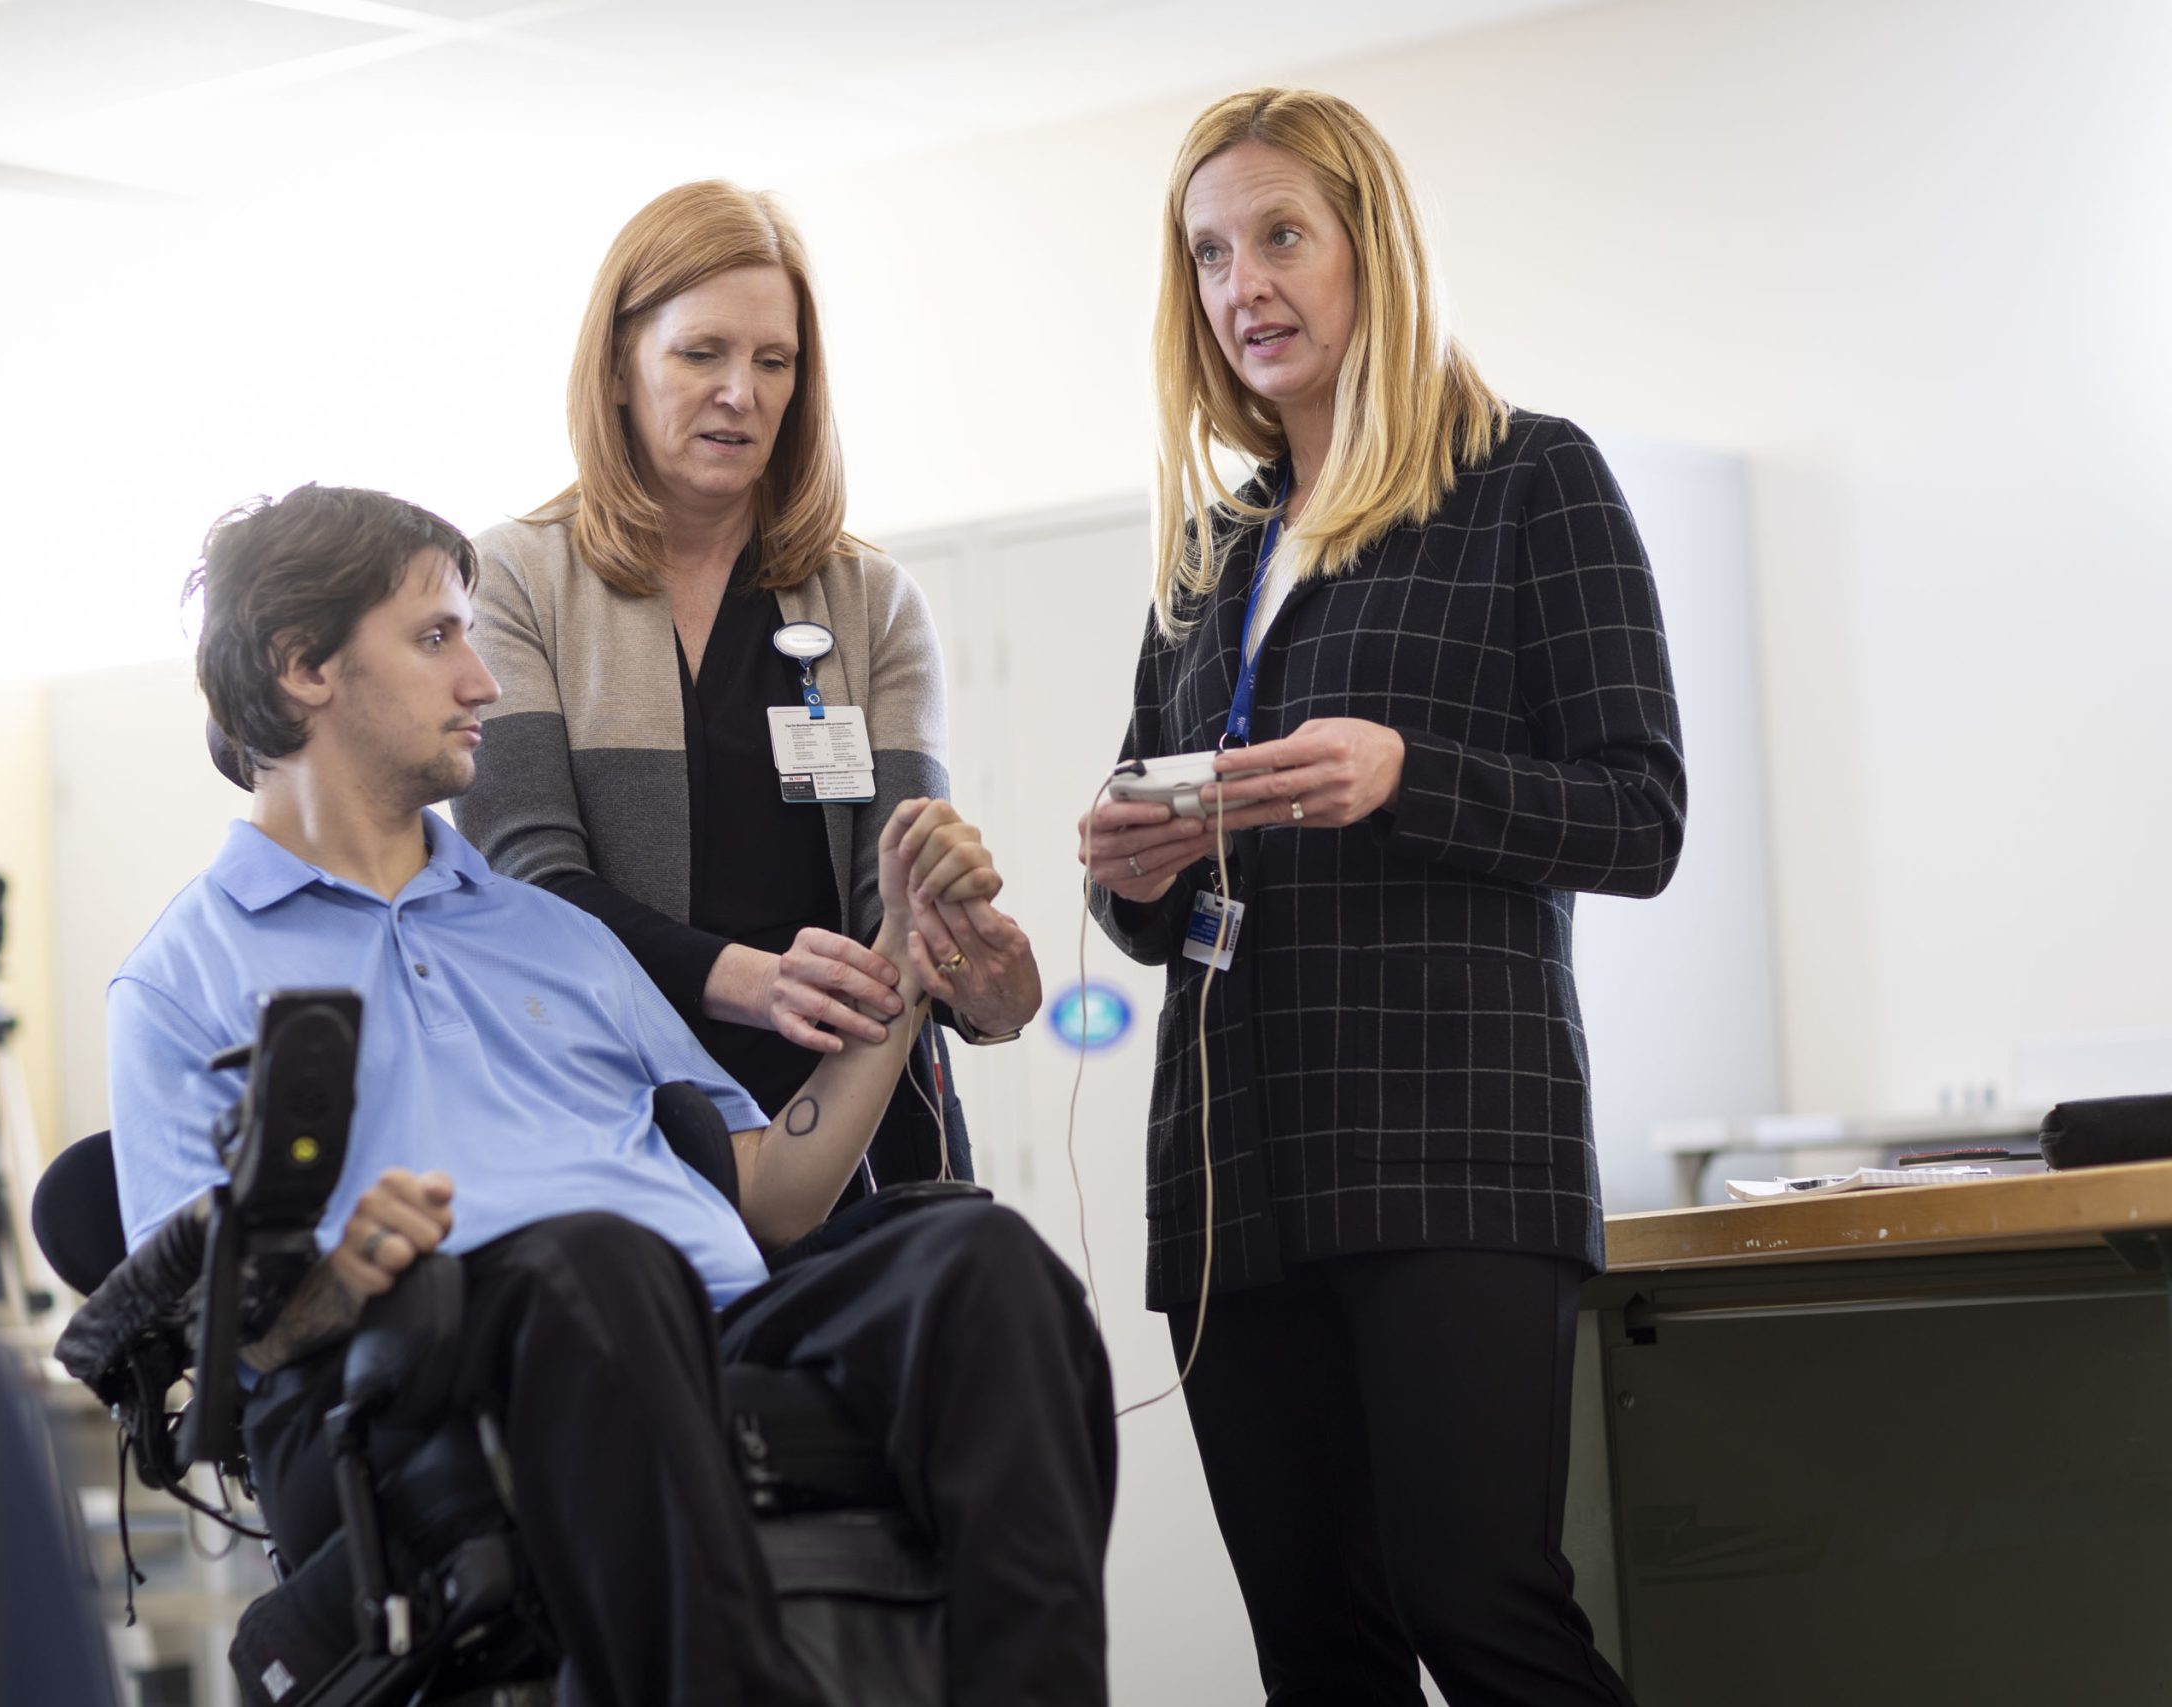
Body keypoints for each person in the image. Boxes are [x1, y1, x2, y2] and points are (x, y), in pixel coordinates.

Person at [110, 484, 1114, 1707]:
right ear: (303, 666)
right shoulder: (182, 980)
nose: (481, 682)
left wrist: (903, 961)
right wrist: (339, 1275)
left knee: (983, 1262)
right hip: (414, 1368)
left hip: (704, 1323)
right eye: (437, 639)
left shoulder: (553, 935)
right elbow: (227, 1341)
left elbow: (773, 1198)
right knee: (594, 1262)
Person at [1078, 88, 1682, 1706]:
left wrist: (1404, 772)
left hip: (1451, 1153)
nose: (1244, 284)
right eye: (1210, 254)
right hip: (1231, 1173)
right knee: (1318, 1649)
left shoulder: (1527, 484)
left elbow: (1642, 817)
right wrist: (1134, 871)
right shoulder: (1209, 550)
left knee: (1479, 1606)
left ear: (1373, 255)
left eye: (1281, 236)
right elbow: (1158, 906)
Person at [455, 181, 1040, 1200]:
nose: (743, 392)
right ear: (621, 368)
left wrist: (975, 972)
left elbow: (891, 903)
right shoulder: (514, 581)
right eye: (702, 354)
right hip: (625, 1131)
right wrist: (757, 985)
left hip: (864, 1122)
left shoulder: (870, 600)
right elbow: (529, 888)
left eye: (774, 362)